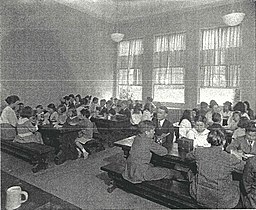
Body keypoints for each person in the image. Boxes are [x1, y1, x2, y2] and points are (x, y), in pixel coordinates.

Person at [186, 129, 245, 209]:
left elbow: (188, 157)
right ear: (224, 141)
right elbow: (245, 168)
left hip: (200, 194)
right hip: (221, 200)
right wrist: (238, 157)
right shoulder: (229, 158)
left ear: (208, 140)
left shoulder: (199, 152)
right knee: (238, 185)